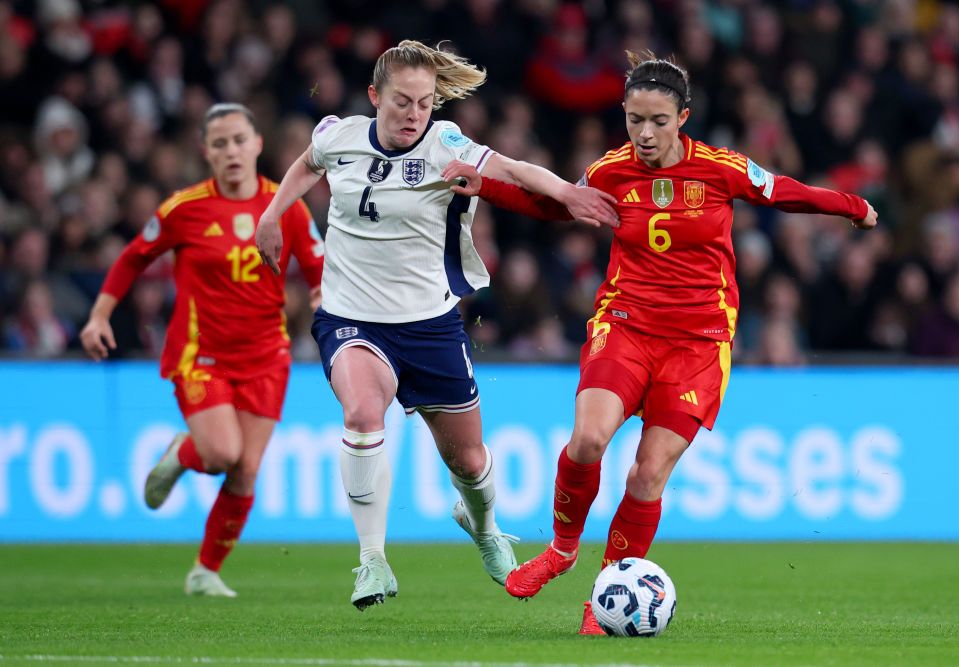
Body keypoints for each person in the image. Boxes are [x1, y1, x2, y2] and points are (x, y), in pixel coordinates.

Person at [443, 49, 877, 634]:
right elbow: (557, 206)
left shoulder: (721, 169)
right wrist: (486, 188)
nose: (644, 134)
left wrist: (854, 208)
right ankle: (563, 550)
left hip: (699, 339)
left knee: (647, 475)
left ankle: (603, 598)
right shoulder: (610, 170)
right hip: (626, 321)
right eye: (634, 120)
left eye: (658, 122)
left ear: (684, 118)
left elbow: (783, 191)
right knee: (589, 440)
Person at [254, 39, 617, 611]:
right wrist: (274, 213)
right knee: (362, 412)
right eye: (402, 102)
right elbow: (307, 165)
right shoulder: (338, 135)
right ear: (375, 97)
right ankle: (371, 561)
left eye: (425, 103)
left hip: (430, 325)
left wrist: (568, 193)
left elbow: (514, 168)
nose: (414, 115)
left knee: (469, 462)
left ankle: (486, 527)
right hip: (351, 316)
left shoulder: (446, 143)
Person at [79, 103, 324, 598]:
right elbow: (132, 258)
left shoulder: (287, 206)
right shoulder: (183, 208)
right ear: (205, 152)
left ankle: (204, 571)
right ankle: (182, 451)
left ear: (257, 144)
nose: (230, 151)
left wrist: (323, 304)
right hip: (201, 353)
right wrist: (99, 315)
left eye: (239, 140)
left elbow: (319, 270)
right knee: (220, 454)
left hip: (266, 355)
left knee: (246, 469)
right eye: (219, 143)